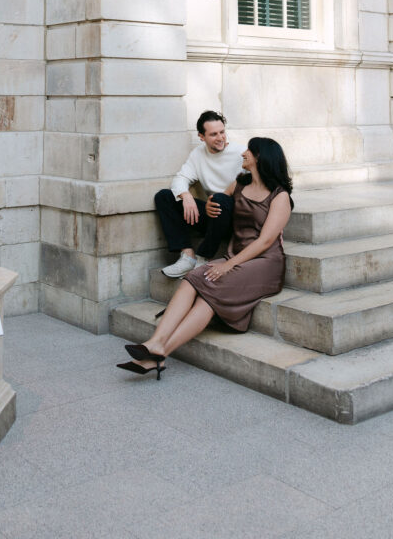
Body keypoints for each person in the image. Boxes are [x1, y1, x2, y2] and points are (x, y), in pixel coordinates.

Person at [118, 137, 293, 379]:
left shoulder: (280, 196)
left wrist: (229, 265)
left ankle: (160, 352)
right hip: (237, 254)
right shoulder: (239, 184)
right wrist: (210, 206)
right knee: (193, 277)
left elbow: (264, 242)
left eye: (248, 151)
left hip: (265, 263)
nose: (243, 154)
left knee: (210, 290)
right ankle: (155, 343)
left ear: (260, 158)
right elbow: (219, 201)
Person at [155, 110, 243, 278]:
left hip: (236, 218)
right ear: (201, 137)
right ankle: (188, 256)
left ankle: (204, 256)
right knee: (164, 196)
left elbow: (256, 184)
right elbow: (181, 178)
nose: (220, 138)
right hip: (212, 214)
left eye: (222, 132)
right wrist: (186, 196)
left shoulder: (241, 153)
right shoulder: (198, 154)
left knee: (219, 199)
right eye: (213, 134)